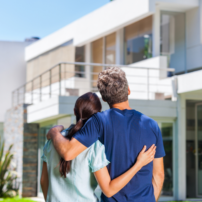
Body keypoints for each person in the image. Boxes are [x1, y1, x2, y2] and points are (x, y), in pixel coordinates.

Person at [47, 67, 165, 202]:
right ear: (128, 90)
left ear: (103, 98)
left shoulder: (99, 121)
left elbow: (67, 153)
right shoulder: (152, 125)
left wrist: (54, 131)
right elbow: (159, 174)